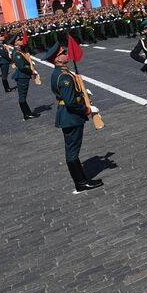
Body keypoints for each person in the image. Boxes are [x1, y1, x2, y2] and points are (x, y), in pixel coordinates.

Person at [46, 43, 103, 193]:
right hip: (70, 116)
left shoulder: (61, 72)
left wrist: (81, 92)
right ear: (57, 59)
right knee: (72, 152)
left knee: (72, 150)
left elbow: (70, 95)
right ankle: (81, 183)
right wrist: (87, 109)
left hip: (68, 115)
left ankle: (81, 181)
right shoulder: (64, 77)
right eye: (63, 53)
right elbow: (70, 103)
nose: (67, 53)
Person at [11, 35, 41, 121]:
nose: (22, 40)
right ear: (16, 43)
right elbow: (22, 67)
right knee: (22, 97)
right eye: (19, 40)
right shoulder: (17, 54)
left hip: (22, 76)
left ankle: (28, 113)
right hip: (22, 76)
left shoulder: (19, 51)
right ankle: (26, 114)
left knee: (23, 96)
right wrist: (31, 70)